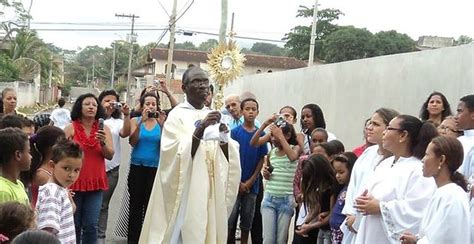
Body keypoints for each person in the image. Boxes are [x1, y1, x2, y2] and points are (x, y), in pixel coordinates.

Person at [139, 67, 241, 243]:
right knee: (184, 232)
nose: (202, 86)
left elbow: (227, 156)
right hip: (186, 188)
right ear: (184, 88)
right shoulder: (177, 115)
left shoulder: (214, 115)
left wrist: (224, 137)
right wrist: (200, 128)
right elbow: (173, 154)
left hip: (209, 185)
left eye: (205, 81)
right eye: (196, 82)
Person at [354, 115, 438, 243]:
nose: (384, 132)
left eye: (389, 128)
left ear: (403, 135)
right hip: (370, 232)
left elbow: (418, 209)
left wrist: (380, 208)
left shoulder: (418, 170)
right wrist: (363, 201)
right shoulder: (385, 164)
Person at [341, 108, 399, 244]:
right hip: (352, 219)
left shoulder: (394, 161)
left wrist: (359, 220)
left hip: (371, 222)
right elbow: (353, 186)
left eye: (376, 124)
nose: (369, 127)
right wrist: (351, 214)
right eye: (370, 123)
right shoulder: (368, 154)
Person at [399, 136, 470, 243]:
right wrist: (416, 240)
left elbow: (445, 239)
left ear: (441, 160)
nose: (422, 160)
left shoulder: (451, 196)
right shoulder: (442, 192)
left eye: (427, 155)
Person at [64, 93, 114, 244]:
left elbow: (110, 155)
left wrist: (103, 142)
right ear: (80, 106)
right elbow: (59, 155)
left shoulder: (104, 129)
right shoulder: (70, 128)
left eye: (94, 104)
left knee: (91, 225)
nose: (91, 107)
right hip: (73, 182)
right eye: (87, 104)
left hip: (95, 183)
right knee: (75, 224)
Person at [228, 98, 268, 244]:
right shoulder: (234, 133)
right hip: (234, 185)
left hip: (252, 187)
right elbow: (230, 158)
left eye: (253, 109)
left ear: (258, 112)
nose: (250, 112)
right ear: (242, 110)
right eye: (247, 109)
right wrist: (237, 182)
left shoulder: (261, 135)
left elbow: (261, 160)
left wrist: (250, 182)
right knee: (230, 220)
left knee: (247, 222)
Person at [125, 92, 164, 243]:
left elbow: (166, 146)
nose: (150, 106)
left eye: (153, 104)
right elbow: (132, 142)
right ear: (142, 106)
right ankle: (133, 240)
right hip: (137, 168)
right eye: (147, 103)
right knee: (135, 206)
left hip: (154, 169)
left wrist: (162, 125)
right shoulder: (136, 120)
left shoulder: (161, 123)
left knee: (150, 207)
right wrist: (142, 122)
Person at [97, 90, 131, 242]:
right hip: (92, 170)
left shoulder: (118, 122)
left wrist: (127, 115)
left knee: (103, 206)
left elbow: (125, 133)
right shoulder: (93, 120)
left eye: (113, 101)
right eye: (106, 100)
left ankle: (100, 238)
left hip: (111, 171)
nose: (110, 104)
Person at [36, 139, 83, 244]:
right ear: (52, 166)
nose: (72, 175)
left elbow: (68, 212)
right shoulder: (52, 194)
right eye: (66, 168)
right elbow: (47, 234)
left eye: (76, 170)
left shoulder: (61, 189)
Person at [261, 122, 301, 244]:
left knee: (281, 240)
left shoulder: (295, 148)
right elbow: (270, 171)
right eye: (271, 135)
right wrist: (266, 173)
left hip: (286, 200)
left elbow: (293, 157)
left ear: (287, 135)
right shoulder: (271, 153)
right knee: (268, 239)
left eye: (276, 135)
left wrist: (281, 136)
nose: (273, 138)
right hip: (269, 199)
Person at [293, 154, 338, 244]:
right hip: (317, 227)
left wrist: (310, 226)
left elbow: (331, 213)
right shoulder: (318, 187)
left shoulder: (332, 186)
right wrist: (305, 223)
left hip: (327, 229)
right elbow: (316, 207)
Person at [27, 126, 65, 208]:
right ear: (50, 148)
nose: (65, 147)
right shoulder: (42, 175)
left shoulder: (53, 169)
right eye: (62, 143)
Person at [329, 152, 357, 244]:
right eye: (336, 172)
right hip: (334, 232)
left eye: (341, 172)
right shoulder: (343, 188)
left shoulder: (353, 190)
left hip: (343, 233)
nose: (337, 175)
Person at [0, 128, 31, 205]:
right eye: (28, 152)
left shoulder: (19, 184)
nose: (31, 156)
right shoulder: (3, 190)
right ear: (18, 155)